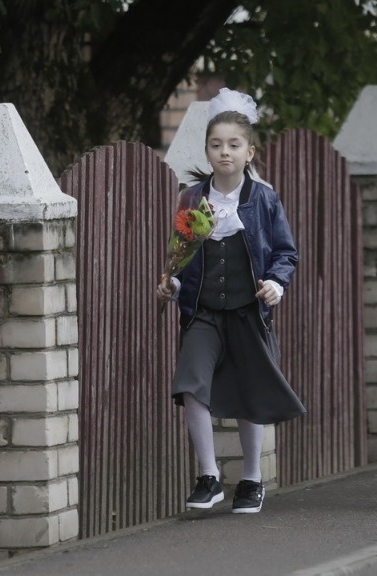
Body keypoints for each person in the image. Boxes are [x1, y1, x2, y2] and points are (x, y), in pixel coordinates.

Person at [156, 87, 305, 514]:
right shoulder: (191, 199)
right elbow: (180, 260)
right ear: (207, 150)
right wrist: (172, 286)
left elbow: (284, 252)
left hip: (246, 313)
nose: (225, 153)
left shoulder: (263, 199)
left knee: (249, 391)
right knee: (190, 385)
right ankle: (208, 475)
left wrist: (277, 282)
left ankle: (252, 480)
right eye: (216, 145)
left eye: (234, 145)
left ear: (249, 152)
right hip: (202, 314)